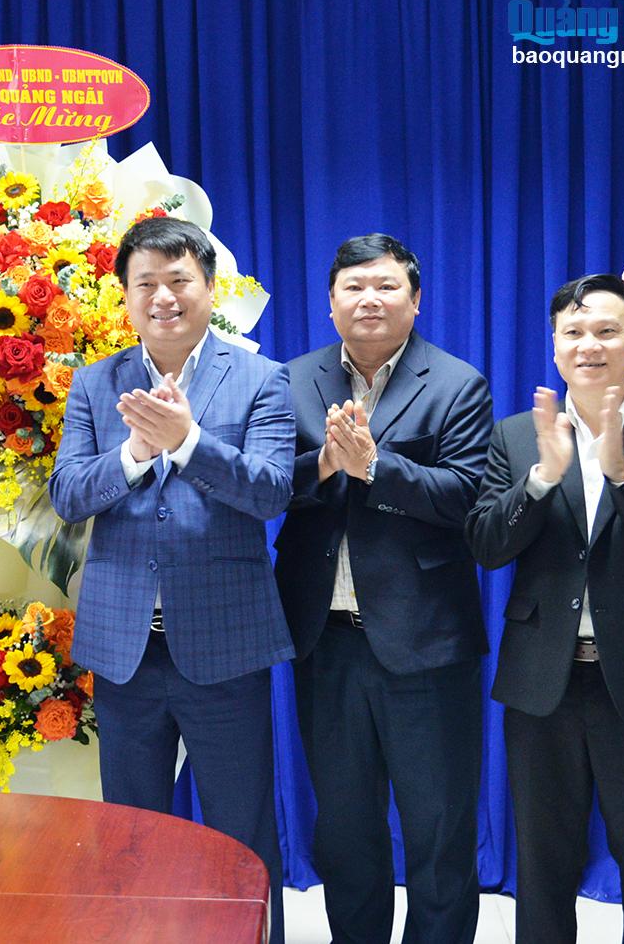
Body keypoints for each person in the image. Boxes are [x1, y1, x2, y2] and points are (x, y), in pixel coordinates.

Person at [47, 216, 295, 941]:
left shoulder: (260, 379)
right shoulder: (98, 383)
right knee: (130, 835)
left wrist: (187, 443)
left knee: (241, 831)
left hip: (224, 646)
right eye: (145, 283)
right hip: (125, 650)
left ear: (210, 289)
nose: (163, 297)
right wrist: (131, 455)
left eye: (178, 281)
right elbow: (67, 496)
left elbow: (272, 492)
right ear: (125, 297)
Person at [466, 274, 624, 942]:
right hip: (542, 682)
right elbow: (487, 546)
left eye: (606, 330)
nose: (589, 344)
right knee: (542, 870)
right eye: (573, 332)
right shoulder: (518, 438)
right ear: (554, 346)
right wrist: (544, 477)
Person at [275, 235, 492, 943]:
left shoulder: (458, 383)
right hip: (325, 642)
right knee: (345, 833)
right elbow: (268, 481)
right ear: (330, 302)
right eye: (353, 287)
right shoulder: (292, 379)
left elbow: (465, 496)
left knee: (438, 833)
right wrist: (326, 466)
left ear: (416, 298)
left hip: (426, 646)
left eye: (386, 286)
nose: (369, 299)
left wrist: (375, 467)